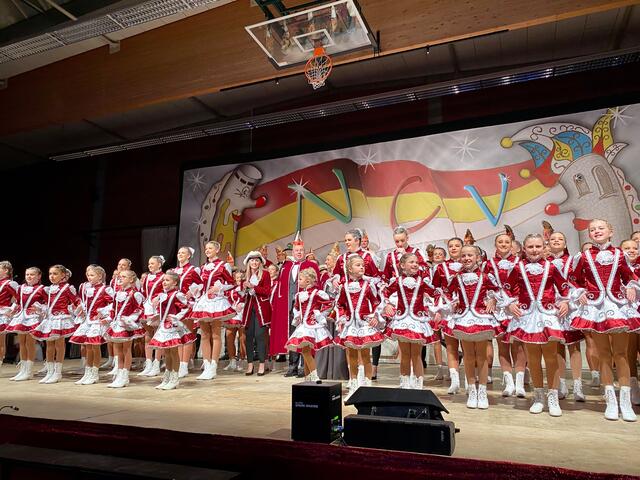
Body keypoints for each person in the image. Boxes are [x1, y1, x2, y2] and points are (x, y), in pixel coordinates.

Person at [570, 219, 640, 421]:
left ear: (611, 231)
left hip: (617, 307)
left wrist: (631, 287)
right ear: (589, 234)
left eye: (601, 228)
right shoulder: (583, 256)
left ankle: (625, 402)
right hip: (596, 308)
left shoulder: (620, 254)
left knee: (621, 354)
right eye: (592, 229)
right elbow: (574, 279)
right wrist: (580, 292)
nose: (597, 231)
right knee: (603, 354)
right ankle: (610, 401)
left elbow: (630, 277)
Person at [503, 234, 574, 417]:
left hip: (547, 315)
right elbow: (507, 288)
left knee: (551, 357)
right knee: (533, 359)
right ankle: (538, 396)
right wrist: (510, 304)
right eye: (530, 247)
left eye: (538, 246)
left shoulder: (552, 266)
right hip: (527, 317)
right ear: (524, 249)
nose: (534, 250)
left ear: (544, 248)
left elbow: (564, 287)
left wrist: (565, 302)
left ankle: (553, 396)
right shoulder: (517, 267)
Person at [441, 245, 498, 409]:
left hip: (480, 317)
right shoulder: (456, 277)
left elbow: (497, 291)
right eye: (464, 256)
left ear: (478, 258)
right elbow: (446, 292)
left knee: (481, 355)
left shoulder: (486, 276)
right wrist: (452, 303)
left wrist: (492, 299)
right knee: (468, 355)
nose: (467, 258)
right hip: (464, 317)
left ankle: (483, 391)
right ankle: (472, 389)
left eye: (470, 255)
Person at [383, 252, 438, 390]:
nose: (415, 264)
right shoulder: (397, 281)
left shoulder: (422, 281)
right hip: (401, 320)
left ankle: (418, 385)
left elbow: (436, 293)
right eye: (411, 262)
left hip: (417, 321)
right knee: (405, 354)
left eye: (417, 262)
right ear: (402, 265)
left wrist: (437, 309)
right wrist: (387, 304)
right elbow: (384, 292)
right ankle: (405, 383)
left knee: (416, 354)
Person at [335, 255, 385, 398]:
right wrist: (342, 317)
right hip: (351, 324)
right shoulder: (344, 287)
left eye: (363, 265)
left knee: (365, 355)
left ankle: (367, 387)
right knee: (351, 356)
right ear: (350, 269)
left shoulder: (368, 285)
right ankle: (354, 385)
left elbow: (375, 302)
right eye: (358, 265)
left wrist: (375, 316)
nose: (362, 267)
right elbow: (340, 304)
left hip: (364, 325)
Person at [484, 233, 526, 397]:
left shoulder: (520, 262)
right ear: (495, 245)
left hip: (516, 307)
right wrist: (492, 298)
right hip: (499, 309)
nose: (503, 244)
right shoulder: (488, 264)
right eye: (500, 242)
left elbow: (525, 285)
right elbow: (486, 285)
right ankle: (509, 383)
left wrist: (516, 302)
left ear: (511, 244)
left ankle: (520, 383)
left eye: (506, 242)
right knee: (502, 346)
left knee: (518, 346)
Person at [271, 235, 320, 377]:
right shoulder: (286, 266)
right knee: (292, 336)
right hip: (289, 306)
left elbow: (317, 286)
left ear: (304, 252)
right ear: (292, 252)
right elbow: (281, 287)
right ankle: (292, 365)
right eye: (297, 250)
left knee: (305, 337)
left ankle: (303, 366)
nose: (299, 252)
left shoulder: (311, 266)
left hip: (305, 307)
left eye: (301, 250)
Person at [548, 232, 585, 402]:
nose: (556, 241)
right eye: (553, 239)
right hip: (552, 307)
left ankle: (577, 384)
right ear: (548, 243)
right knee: (557, 347)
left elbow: (579, 282)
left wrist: (569, 301)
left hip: (570, 306)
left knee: (574, 346)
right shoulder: (544, 263)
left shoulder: (574, 260)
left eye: (560, 239)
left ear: (565, 244)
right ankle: (561, 383)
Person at [190, 241, 234, 381]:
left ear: (217, 250)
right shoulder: (203, 267)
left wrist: (218, 288)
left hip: (216, 302)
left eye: (210, 248)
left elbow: (231, 283)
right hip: (204, 301)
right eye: (206, 248)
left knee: (215, 334)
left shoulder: (223, 265)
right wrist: (195, 290)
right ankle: (207, 365)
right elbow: (200, 285)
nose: (207, 250)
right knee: (204, 335)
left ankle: (214, 366)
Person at [149, 271, 196, 390]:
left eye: (167, 280)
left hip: (173, 327)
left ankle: (174, 378)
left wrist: (176, 318)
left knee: (174, 352)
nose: (164, 282)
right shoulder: (162, 295)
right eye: (163, 280)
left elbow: (186, 308)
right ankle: (167, 376)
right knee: (167, 353)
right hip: (164, 326)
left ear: (175, 283)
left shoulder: (177, 294)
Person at [32, 265, 79, 384]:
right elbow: (47, 303)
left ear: (63, 275)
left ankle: (57, 373)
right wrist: (40, 309)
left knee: (59, 344)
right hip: (50, 318)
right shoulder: (49, 289)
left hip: (61, 319)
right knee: (49, 345)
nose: (52, 276)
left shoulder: (67, 288)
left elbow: (76, 301)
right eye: (50, 274)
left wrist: (78, 311)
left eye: (55, 274)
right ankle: (49, 372)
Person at [285, 268, 333, 381]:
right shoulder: (299, 295)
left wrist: (319, 315)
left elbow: (329, 304)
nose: (298, 281)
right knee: (305, 351)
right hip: (303, 326)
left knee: (306, 351)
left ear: (308, 281)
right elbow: (296, 307)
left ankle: (315, 375)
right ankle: (308, 378)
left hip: (312, 326)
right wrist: (297, 315)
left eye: (300, 279)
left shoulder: (317, 293)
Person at [70, 265, 113, 385]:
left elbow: (113, 304)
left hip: (97, 322)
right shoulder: (88, 289)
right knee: (88, 346)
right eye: (88, 275)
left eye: (92, 275)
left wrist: (103, 312)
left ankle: (95, 373)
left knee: (95, 346)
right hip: (88, 321)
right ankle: (87, 372)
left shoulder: (106, 289)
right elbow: (87, 304)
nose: (89, 277)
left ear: (99, 276)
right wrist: (81, 310)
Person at [432, 237, 464, 394]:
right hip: (448, 310)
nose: (454, 248)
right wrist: (438, 309)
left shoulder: (468, 265)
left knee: (467, 347)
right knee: (451, 347)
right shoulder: (440, 268)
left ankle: (471, 381)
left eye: (457, 245)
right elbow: (436, 289)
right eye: (451, 246)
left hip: (465, 310)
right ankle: (455, 381)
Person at [104, 269, 146, 388]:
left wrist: (130, 319)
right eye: (119, 277)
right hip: (117, 324)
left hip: (127, 325)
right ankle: (119, 373)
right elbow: (114, 309)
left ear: (131, 279)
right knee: (118, 350)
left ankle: (125, 376)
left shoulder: (135, 294)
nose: (120, 278)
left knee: (126, 349)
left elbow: (139, 310)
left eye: (123, 277)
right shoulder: (117, 293)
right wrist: (109, 318)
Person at [7, 267, 46, 381]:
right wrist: (13, 309)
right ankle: (22, 370)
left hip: (32, 318)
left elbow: (47, 304)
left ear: (39, 276)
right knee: (22, 343)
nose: (29, 276)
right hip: (21, 317)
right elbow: (18, 301)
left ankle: (29, 371)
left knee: (30, 344)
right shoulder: (21, 288)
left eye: (32, 274)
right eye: (27, 274)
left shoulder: (42, 289)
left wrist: (39, 308)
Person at [173, 246, 203, 378]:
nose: (180, 254)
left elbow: (201, 284)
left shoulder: (193, 269)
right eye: (179, 252)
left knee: (187, 335)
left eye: (183, 253)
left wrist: (192, 291)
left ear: (189, 256)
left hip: (187, 305)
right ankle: (180, 364)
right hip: (176, 306)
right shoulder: (174, 271)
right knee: (179, 336)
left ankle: (185, 365)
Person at [241, 251, 272, 376]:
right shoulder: (246, 275)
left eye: (256, 260)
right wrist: (244, 289)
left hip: (261, 309)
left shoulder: (265, 274)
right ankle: (250, 364)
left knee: (260, 336)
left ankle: (262, 364)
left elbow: (267, 291)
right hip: (249, 309)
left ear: (260, 262)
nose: (254, 262)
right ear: (248, 262)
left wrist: (254, 287)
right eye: (252, 260)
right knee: (248, 336)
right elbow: (242, 293)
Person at [620, 238, 640, 405]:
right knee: (629, 352)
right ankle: (633, 387)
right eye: (627, 248)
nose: (632, 250)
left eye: (634, 248)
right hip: (627, 313)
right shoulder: (618, 268)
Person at [138, 256, 165, 377]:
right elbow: (144, 292)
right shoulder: (148, 277)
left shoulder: (164, 276)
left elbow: (167, 291)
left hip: (158, 308)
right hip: (148, 307)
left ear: (159, 264)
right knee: (147, 335)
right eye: (149, 264)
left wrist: (159, 297)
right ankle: (148, 363)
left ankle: (156, 364)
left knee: (158, 335)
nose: (150, 265)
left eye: (152, 263)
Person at [223, 270, 247, 372]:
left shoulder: (246, 288)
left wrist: (243, 305)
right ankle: (232, 361)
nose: (239, 279)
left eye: (241, 277)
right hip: (232, 314)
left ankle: (242, 360)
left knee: (242, 339)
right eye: (237, 277)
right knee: (229, 337)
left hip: (242, 314)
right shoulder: (230, 289)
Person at [0, 261, 18, 371]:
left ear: (6, 270)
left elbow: (19, 298)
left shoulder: (10, 283)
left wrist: (12, 309)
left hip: (2, 313)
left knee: (0, 341)